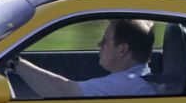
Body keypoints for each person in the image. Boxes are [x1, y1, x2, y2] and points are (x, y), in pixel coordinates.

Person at [10, 19, 156, 98]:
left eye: (104, 41)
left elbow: (63, 92)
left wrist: (15, 62)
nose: (99, 44)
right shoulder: (136, 81)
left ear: (122, 49)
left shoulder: (127, 84)